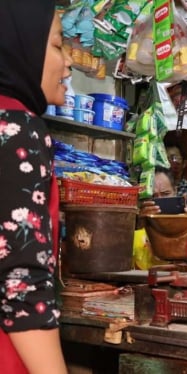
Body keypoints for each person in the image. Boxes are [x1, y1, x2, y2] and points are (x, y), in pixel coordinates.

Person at [0, 1, 71, 372]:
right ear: (19, 46)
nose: (68, 64)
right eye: (58, 45)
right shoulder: (16, 127)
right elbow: (22, 283)